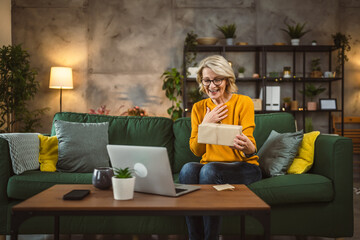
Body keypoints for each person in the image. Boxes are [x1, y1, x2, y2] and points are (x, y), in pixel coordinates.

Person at [179, 55, 262, 240]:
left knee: (208, 170)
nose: (212, 85)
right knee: (187, 169)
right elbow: (197, 150)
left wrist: (248, 147)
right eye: (207, 80)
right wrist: (206, 124)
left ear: (227, 79)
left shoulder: (243, 102)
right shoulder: (199, 108)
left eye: (217, 79)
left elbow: (250, 147)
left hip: (245, 167)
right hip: (212, 167)